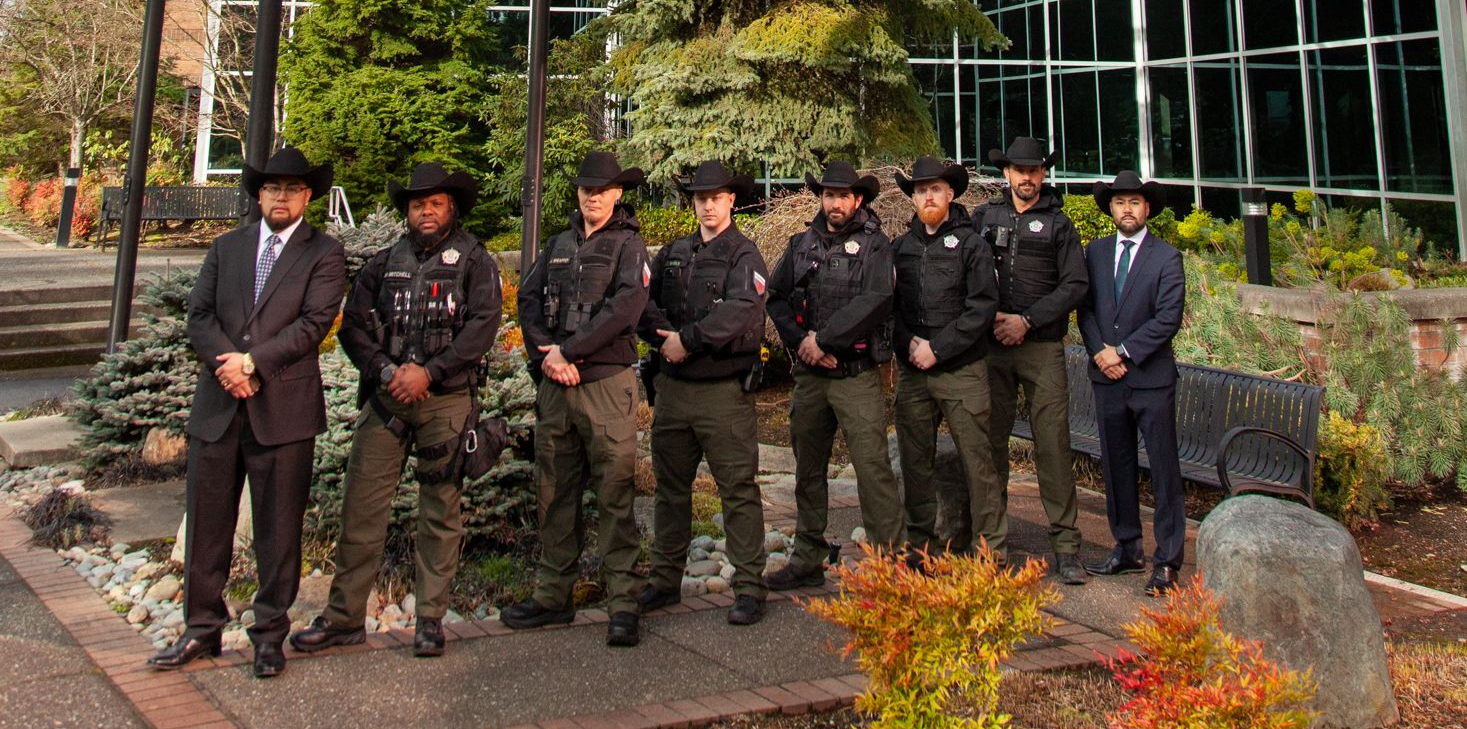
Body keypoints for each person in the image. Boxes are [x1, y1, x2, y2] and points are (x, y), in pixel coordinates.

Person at [289, 162, 503, 658]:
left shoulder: (474, 260)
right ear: (406, 210)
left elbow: (482, 328)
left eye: (435, 204)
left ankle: (430, 619)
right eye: (416, 204)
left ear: (451, 208)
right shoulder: (382, 262)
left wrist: (429, 373)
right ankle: (343, 617)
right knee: (361, 510)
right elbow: (353, 329)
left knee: (440, 514)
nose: (425, 212)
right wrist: (388, 373)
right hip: (386, 403)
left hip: (445, 401)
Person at [149, 147, 346, 678]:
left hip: (283, 410)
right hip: (218, 407)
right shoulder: (227, 247)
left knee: (278, 529)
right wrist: (229, 368)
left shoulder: (323, 253)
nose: (281, 197)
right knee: (208, 525)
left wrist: (253, 363)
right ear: (259, 194)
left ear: (308, 197)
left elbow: (313, 324)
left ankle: (268, 635)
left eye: (292, 189)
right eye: (272, 189)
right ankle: (201, 629)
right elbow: (199, 316)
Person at [505, 151, 651, 646]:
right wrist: (547, 354)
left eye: (602, 189)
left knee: (614, 494)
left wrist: (568, 350)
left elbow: (625, 309)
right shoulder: (559, 243)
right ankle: (552, 595)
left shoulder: (630, 246)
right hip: (556, 386)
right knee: (555, 493)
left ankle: (624, 603)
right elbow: (528, 300)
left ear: (617, 195)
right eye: (586, 189)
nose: (592, 196)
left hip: (605, 386)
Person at [636, 160, 769, 625]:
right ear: (692, 203)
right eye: (700, 198)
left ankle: (750, 585)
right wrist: (663, 340)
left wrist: (686, 341)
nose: (708, 205)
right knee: (671, 491)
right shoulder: (673, 251)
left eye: (716, 198)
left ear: (732, 200)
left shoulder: (743, 255)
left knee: (737, 489)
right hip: (673, 390)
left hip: (722, 392)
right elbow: (643, 303)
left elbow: (741, 310)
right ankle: (664, 580)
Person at [765, 160, 902, 590]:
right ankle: (807, 557)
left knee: (872, 469)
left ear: (857, 199)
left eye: (843, 195)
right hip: (811, 377)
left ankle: (889, 566)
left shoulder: (876, 246)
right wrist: (803, 343)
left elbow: (877, 300)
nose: (836, 203)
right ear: (820, 198)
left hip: (855, 375)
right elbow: (775, 296)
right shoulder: (801, 243)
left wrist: (823, 340)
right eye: (828, 195)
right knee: (808, 469)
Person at [972, 137, 1089, 584]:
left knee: (1053, 446)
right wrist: (992, 317)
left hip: (1041, 349)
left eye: (1034, 170)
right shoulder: (985, 218)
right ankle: (992, 544)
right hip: (994, 347)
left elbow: (1075, 285)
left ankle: (1066, 547)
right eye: (1019, 170)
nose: (1026, 178)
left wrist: (1027, 319)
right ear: (1006, 174)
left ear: (1044, 174)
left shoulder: (1060, 225)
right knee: (990, 443)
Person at [1077, 171, 1186, 597]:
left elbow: (1167, 319)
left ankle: (1167, 560)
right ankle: (1126, 547)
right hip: (1107, 379)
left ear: (1147, 209)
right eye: (1120, 202)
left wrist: (1121, 351)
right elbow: (1084, 308)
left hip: (1150, 380)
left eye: (1135, 202)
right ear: (1110, 208)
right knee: (1116, 466)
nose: (1127, 209)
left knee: (1163, 470)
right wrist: (1099, 353)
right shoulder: (1096, 253)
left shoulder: (1166, 258)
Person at [889, 157, 1000, 563]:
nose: (928, 196)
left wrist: (938, 348)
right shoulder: (900, 247)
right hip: (915, 372)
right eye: (920, 190)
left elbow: (982, 307)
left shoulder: (972, 245)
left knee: (978, 463)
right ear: (913, 198)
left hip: (961, 370)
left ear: (951, 194)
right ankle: (920, 546)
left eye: (935, 189)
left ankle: (990, 551)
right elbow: (889, 307)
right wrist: (910, 345)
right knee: (916, 463)